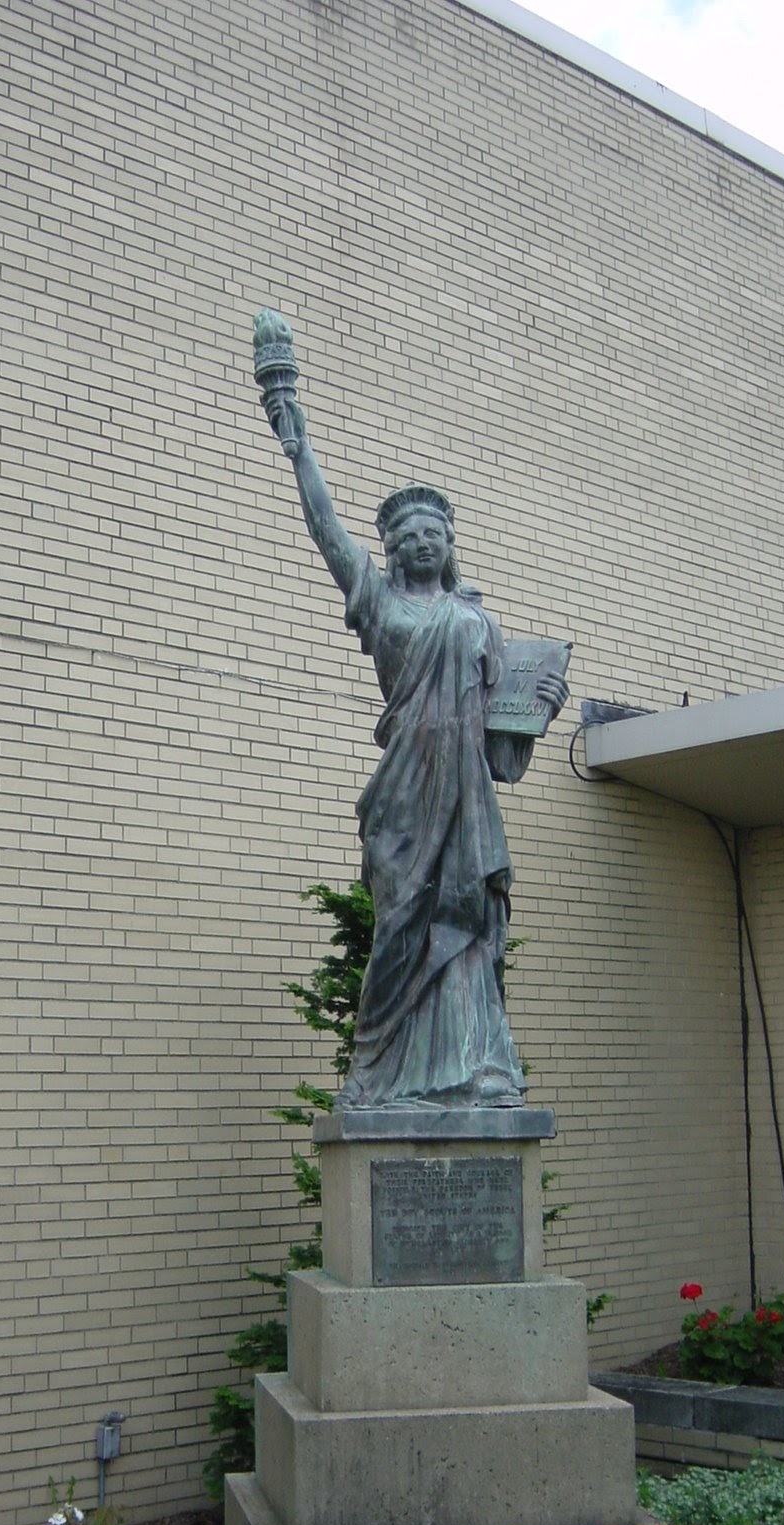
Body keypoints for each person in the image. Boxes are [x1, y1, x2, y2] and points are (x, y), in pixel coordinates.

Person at [262, 390, 568, 1108]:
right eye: (408, 536)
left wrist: (542, 707)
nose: (422, 542)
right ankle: (373, 1069)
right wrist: (297, 440)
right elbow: (326, 528)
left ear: (450, 545)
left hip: (467, 797)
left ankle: (480, 1068)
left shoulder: (477, 621)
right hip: (405, 798)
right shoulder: (380, 603)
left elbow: (501, 752)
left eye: (434, 531)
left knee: (467, 936)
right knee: (400, 929)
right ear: (394, 552)